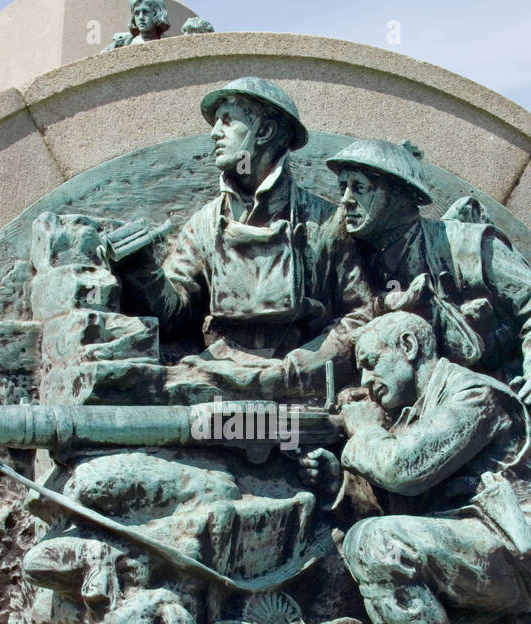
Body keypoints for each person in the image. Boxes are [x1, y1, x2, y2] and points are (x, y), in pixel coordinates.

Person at [305, 312, 531, 624]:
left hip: (520, 548)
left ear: (409, 348)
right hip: (477, 542)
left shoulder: (474, 395)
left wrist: (361, 437)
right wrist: (338, 481)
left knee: (374, 544)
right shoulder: (415, 413)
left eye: (372, 361)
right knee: (365, 543)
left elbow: (404, 468)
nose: (365, 377)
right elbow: (405, 505)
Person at [110, 78, 377, 401]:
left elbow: (361, 313)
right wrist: (143, 270)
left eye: (227, 120)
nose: (214, 133)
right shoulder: (204, 226)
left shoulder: (326, 224)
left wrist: (306, 364)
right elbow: (175, 316)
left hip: (299, 387)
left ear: (264, 132)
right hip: (216, 379)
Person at [325, 139, 531, 413]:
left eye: (359, 187)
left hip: (497, 401)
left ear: (398, 195)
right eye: (342, 187)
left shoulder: (467, 245)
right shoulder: (353, 261)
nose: (345, 200)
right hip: (418, 413)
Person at [104, 0, 173, 50]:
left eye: (145, 12)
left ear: (157, 15)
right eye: (137, 13)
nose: (140, 17)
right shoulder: (123, 43)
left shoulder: (169, 45)